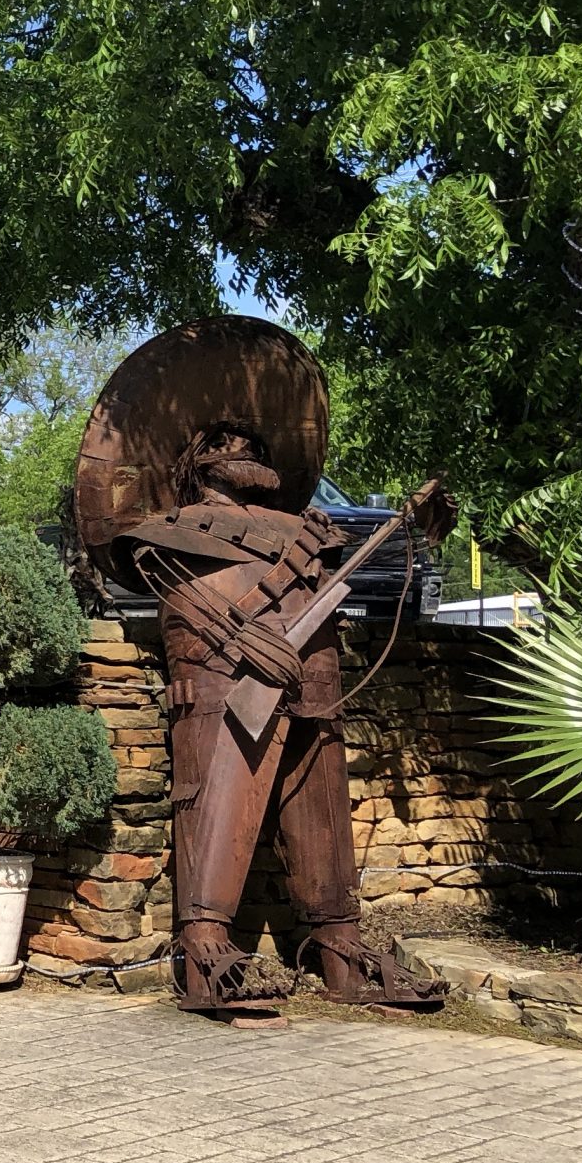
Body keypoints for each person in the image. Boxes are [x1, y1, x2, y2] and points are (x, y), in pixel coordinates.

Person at [119, 423, 445, 1016]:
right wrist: (240, 634)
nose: (243, 451)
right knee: (217, 798)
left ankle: (342, 950)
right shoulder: (168, 535)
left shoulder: (311, 532)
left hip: (315, 680)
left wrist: (411, 529)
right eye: (222, 444)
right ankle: (205, 950)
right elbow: (183, 598)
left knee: (322, 804)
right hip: (224, 681)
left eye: (252, 445)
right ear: (196, 463)